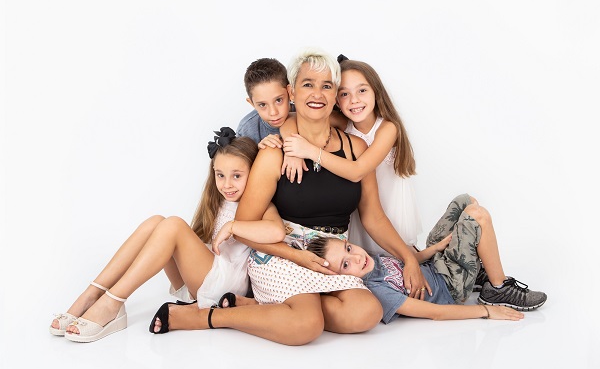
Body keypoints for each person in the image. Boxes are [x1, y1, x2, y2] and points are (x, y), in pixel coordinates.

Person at [151, 49, 434, 345]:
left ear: (335, 96)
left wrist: (409, 259)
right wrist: (297, 256)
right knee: (306, 326)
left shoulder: (355, 149)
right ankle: (204, 317)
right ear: (292, 93)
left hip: (332, 256)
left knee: (366, 312)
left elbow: (373, 217)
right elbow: (244, 228)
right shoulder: (273, 153)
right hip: (280, 254)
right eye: (308, 84)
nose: (317, 93)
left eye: (326, 86)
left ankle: (268, 308)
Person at [49, 128, 285, 342]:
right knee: (156, 222)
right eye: (220, 175)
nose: (227, 184)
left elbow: (276, 230)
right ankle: (92, 294)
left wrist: (233, 227)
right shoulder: (219, 201)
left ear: (254, 174)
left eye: (237, 176)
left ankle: (112, 303)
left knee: (173, 226)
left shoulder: (260, 205)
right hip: (204, 276)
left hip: (224, 284)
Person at [305, 194, 547, 324]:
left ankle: (477, 272)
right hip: (450, 285)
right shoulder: (377, 290)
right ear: (338, 279)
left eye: (348, 248)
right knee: (477, 216)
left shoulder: (372, 259)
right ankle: (497, 288)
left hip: (435, 262)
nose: (356, 257)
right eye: (345, 264)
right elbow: (435, 312)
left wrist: (437, 248)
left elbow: (412, 260)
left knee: (466, 201)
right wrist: (485, 311)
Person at [270, 55, 421, 251]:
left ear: (376, 91)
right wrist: (292, 150)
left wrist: (309, 150)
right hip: (356, 204)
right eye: (344, 94)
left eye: (362, 90)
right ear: (336, 100)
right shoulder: (344, 122)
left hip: (389, 204)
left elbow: (357, 171)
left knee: (399, 250)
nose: (354, 100)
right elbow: (293, 118)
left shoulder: (387, 128)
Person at [236, 58, 293, 143]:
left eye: (278, 100)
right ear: (252, 103)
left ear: (290, 92)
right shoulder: (246, 130)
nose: (273, 112)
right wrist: (258, 149)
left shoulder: (305, 114)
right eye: (262, 105)